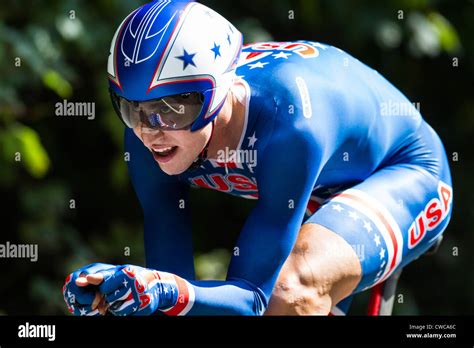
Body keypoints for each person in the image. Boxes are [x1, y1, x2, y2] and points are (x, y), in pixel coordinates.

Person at [63, 0, 453, 316]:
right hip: (315, 176)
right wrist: (123, 292)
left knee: (290, 291)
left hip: (404, 169)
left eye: (170, 109)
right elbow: (174, 293)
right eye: (130, 109)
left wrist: (167, 292)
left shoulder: (289, 127)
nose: (149, 131)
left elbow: (253, 299)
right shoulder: (147, 135)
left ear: (216, 94)